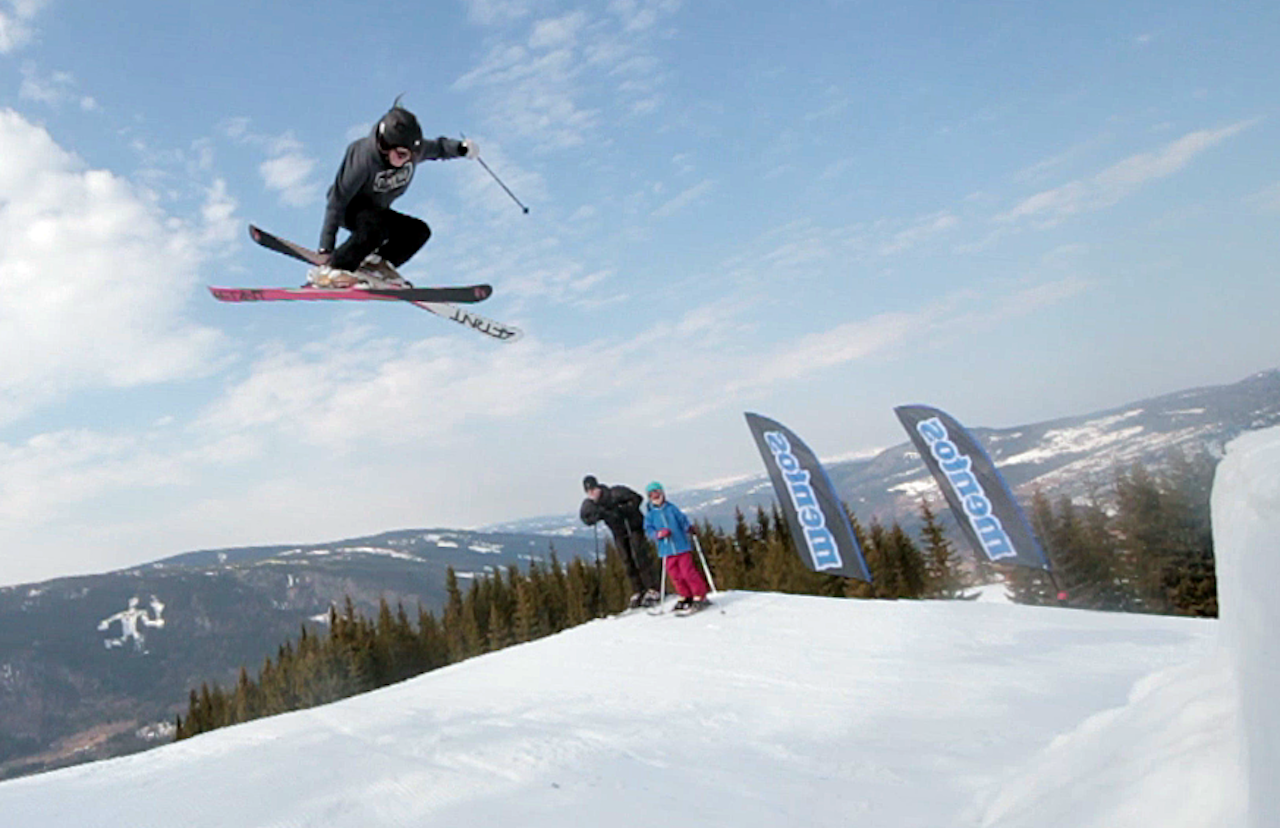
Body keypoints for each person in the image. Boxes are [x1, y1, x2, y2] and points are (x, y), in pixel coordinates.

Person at [309, 100, 475, 288]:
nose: (408, 160)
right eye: (402, 155)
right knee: (375, 229)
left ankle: (378, 264)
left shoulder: (412, 151)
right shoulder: (363, 158)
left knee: (418, 232)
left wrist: (461, 148)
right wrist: (325, 248)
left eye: (412, 155)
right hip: (350, 208)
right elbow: (337, 201)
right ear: (384, 146)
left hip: (377, 211)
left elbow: (439, 147)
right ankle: (336, 269)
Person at [579, 475, 660, 609]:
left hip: (633, 527)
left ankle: (653, 588)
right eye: (588, 491)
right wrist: (595, 517)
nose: (592, 493)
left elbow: (637, 498)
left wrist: (626, 509)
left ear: (598, 487)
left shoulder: (615, 493)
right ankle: (638, 590)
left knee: (640, 555)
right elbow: (585, 517)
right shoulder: (591, 504)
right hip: (619, 533)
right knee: (627, 561)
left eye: (593, 489)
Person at [642, 482, 711, 613]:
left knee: (687, 572)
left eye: (657, 492)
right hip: (666, 550)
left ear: (662, 493)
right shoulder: (650, 515)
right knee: (676, 575)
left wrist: (688, 528)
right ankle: (685, 595)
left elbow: (682, 520)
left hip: (681, 547)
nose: (655, 496)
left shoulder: (671, 508)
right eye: (652, 494)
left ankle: (699, 595)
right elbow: (649, 530)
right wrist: (658, 534)